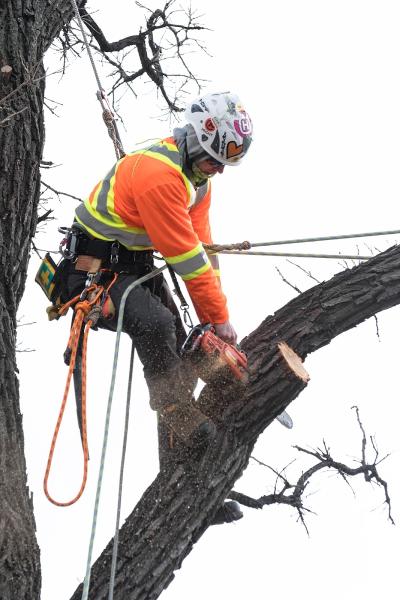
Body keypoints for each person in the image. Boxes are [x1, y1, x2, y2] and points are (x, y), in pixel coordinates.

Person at [60, 91, 253, 450]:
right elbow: (187, 260)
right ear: (198, 141)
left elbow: (204, 250)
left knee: (183, 341)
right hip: (91, 272)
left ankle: (185, 451)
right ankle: (175, 409)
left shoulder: (197, 182)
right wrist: (220, 318)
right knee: (156, 325)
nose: (221, 169)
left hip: (133, 267)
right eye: (216, 159)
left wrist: (214, 320)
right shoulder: (159, 176)